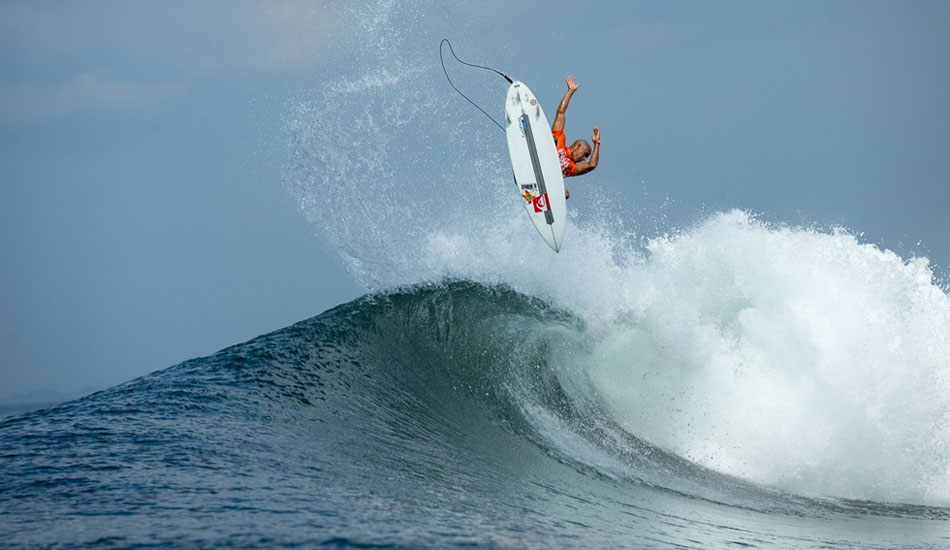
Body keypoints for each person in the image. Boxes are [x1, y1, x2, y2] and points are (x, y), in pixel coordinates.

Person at [551, 75, 600, 199]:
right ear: (578, 147)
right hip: (540, 159)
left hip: (548, 180)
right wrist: (570, 91)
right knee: (554, 140)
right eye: (585, 154)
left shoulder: (571, 168)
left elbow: (592, 165)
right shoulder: (560, 139)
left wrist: (596, 144)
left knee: (565, 194)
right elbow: (561, 112)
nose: (584, 159)